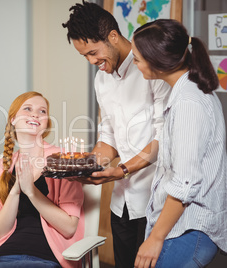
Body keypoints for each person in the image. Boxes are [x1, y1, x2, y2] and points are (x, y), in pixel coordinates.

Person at [62, 2, 171, 267]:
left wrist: (122, 169)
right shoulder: (102, 80)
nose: (91, 61)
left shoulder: (151, 69)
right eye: (84, 56)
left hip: (155, 199)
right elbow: (108, 135)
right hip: (121, 202)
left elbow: (164, 136)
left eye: (93, 52)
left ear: (112, 36)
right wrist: (90, 166)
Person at [131, 19, 227, 268]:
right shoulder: (187, 92)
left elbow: (186, 183)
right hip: (181, 226)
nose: (135, 64)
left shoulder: (188, 103)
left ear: (158, 61)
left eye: (138, 58)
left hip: (189, 229)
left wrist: (155, 238)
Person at [0, 91, 85, 268]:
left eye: (42, 111)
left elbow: (69, 227)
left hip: (48, 257)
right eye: (28, 109)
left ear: (46, 123)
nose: (35, 114)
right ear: (12, 119)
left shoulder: (64, 161)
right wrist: (16, 190)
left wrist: (31, 191)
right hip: (5, 255)